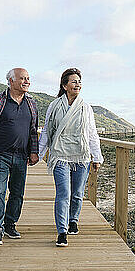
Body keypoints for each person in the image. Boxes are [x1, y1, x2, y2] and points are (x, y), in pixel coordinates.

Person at [38, 68, 103, 247]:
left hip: (81, 156)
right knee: (64, 193)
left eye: (79, 82)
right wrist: (39, 153)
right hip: (60, 154)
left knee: (77, 193)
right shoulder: (54, 105)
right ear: (64, 85)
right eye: (73, 81)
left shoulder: (85, 107)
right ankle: (62, 231)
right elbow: (47, 131)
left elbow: (91, 133)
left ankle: (73, 219)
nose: (77, 84)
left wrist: (96, 156)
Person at [0, 68, 39, 245]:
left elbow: (33, 131)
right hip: (0, 155)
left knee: (17, 192)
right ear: (11, 81)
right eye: (22, 79)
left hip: (21, 156)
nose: (26, 81)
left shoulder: (31, 104)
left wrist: (34, 152)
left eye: (28, 78)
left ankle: (10, 223)